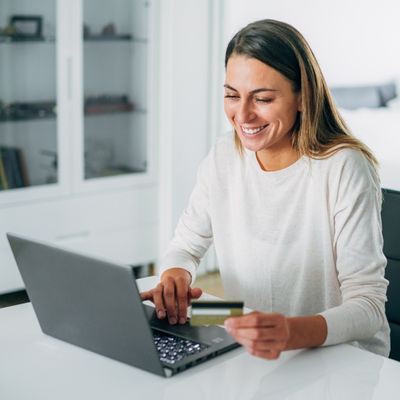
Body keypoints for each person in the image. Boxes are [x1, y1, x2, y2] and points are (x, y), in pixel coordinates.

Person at [141, 19, 390, 359]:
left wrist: (288, 332)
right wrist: (175, 276)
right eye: (232, 95)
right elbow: (185, 246)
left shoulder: (344, 167)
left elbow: (369, 308)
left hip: (339, 357)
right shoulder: (224, 156)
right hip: (254, 341)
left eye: (262, 98)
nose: (242, 115)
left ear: (302, 97)